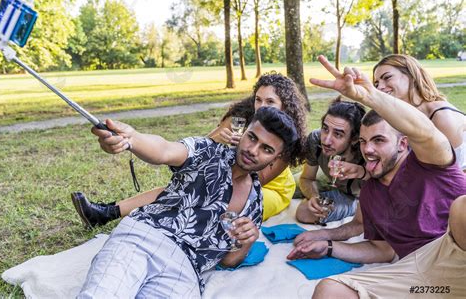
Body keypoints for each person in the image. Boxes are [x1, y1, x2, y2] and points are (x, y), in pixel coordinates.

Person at [288, 56, 466, 298]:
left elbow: (425, 133)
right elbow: (381, 248)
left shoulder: (429, 162)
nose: (367, 149)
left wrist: (368, 96)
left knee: (462, 208)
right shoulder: (370, 191)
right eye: (363, 141)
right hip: (421, 275)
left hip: (457, 250)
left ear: (403, 143)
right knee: (331, 289)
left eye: (378, 140)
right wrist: (328, 246)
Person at [78, 107, 299, 298]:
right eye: (252, 137)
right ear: (245, 131)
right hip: (145, 238)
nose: (253, 150)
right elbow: (164, 150)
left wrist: (247, 241)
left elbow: (229, 260)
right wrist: (132, 139)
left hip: (185, 271)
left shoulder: (255, 204)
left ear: (276, 159)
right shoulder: (208, 151)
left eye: (266, 149)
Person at [71, 72, 308, 227]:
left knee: (199, 191)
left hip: (265, 188)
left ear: (284, 105)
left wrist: (243, 152)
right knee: (184, 184)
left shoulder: (287, 138)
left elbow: (257, 180)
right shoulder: (241, 118)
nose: (261, 106)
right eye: (258, 99)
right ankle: (107, 212)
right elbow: (197, 148)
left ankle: (107, 214)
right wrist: (220, 138)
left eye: (270, 102)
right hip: (226, 171)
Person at [295, 97, 366, 225]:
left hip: (356, 194)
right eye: (325, 129)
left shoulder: (367, 153)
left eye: (338, 134)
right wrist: (314, 197)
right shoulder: (316, 140)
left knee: (304, 213)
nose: (326, 141)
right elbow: (306, 178)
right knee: (290, 185)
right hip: (328, 178)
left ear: (355, 139)